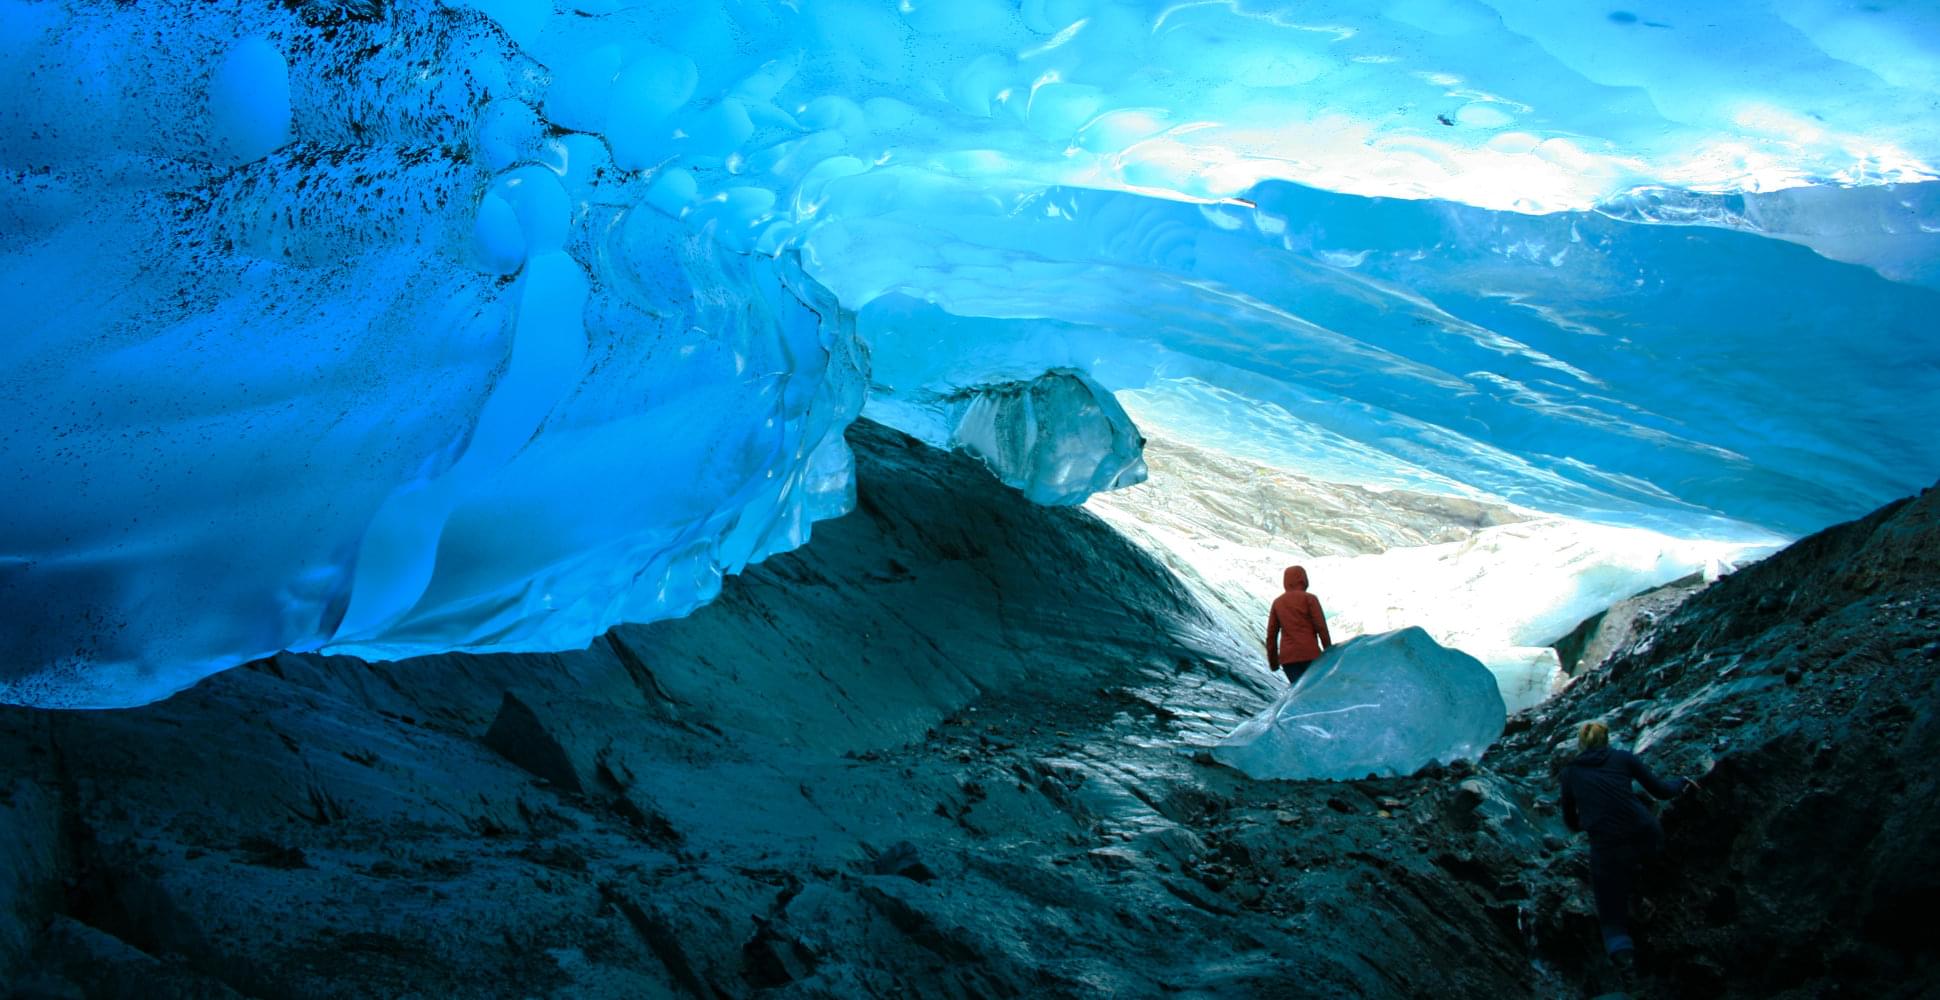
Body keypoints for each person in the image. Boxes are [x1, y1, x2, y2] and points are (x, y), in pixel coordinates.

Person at [1559, 721, 1695, 971]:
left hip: (1608, 844)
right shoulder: (1623, 759)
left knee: (1610, 908)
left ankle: (1624, 958)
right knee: (1645, 871)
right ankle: (1648, 899)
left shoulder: (1570, 773)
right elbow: (1662, 791)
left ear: (1580, 744)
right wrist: (1682, 781)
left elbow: (1569, 816)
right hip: (1645, 833)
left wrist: (1585, 825)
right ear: (1606, 740)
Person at [1265, 565, 1331, 685]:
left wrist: (1273, 663)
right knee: (1315, 690)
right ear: (1304, 580)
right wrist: (1330, 652)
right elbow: (1321, 628)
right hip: (1311, 655)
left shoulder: (1278, 603)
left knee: (1299, 691)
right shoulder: (1310, 599)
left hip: (1288, 660)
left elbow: (1271, 635)